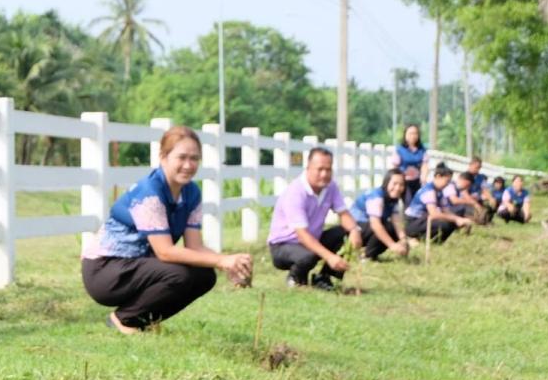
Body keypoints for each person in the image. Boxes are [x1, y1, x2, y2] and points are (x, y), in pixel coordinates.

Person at [82, 126, 253, 334]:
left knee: (204, 276)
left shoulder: (191, 193)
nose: (188, 165)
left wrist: (231, 262)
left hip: (138, 267)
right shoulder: (149, 193)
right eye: (181, 157)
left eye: (194, 158)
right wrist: (221, 261)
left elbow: (195, 246)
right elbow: (165, 252)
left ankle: (141, 320)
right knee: (179, 274)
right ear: (163, 157)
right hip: (106, 270)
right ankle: (124, 319)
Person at [267, 147, 362, 290]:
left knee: (345, 233)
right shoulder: (296, 192)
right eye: (320, 169)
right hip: (284, 245)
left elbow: (344, 214)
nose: (324, 174)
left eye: (328, 169)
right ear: (308, 168)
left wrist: (354, 231)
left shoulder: (331, 187)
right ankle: (295, 278)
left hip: (310, 240)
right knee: (308, 255)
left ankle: (325, 278)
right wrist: (330, 257)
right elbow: (302, 236)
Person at [350, 168, 409, 261]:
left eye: (401, 185)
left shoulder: (394, 200)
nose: (397, 188)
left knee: (392, 229)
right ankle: (364, 255)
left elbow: (397, 222)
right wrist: (392, 245)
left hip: (368, 227)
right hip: (356, 228)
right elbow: (375, 225)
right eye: (394, 184)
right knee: (384, 228)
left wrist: (403, 240)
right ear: (386, 183)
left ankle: (369, 254)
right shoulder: (376, 196)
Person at [403, 166, 472, 244]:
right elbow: (434, 214)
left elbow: (446, 211)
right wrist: (456, 219)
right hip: (413, 222)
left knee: (451, 222)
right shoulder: (429, 191)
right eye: (447, 181)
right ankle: (415, 238)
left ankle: (436, 242)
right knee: (445, 224)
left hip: (422, 220)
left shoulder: (439, 192)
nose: (447, 184)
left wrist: (459, 219)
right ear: (438, 176)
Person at [388, 124, 429, 206]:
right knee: (409, 202)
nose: (413, 136)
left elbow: (425, 165)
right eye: (410, 133)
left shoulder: (422, 150)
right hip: (405, 181)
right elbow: (395, 166)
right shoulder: (400, 150)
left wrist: (424, 177)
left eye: (415, 133)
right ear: (405, 135)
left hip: (417, 181)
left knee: (419, 202)